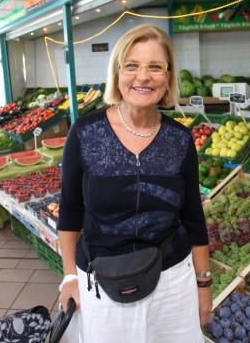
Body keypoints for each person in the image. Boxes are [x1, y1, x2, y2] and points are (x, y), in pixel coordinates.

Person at [57, 24, 211, 343]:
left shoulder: (180, 140)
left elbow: (194, 219)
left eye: (155, 67)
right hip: (103, 282)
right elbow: (70, 213)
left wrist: (204, 286)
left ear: (168, 76)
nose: (143, 77)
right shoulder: (85, 134)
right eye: (132, 65)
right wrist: (69, 276)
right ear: (117, 73)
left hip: (171, 283)